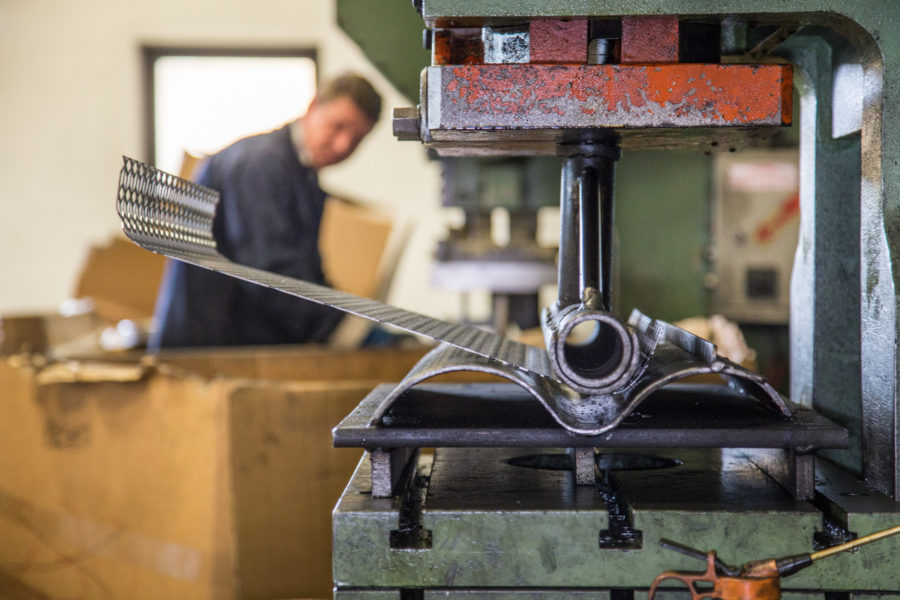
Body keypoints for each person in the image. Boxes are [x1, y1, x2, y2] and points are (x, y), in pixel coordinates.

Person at [148, 73, 382, 349]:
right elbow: (268, 272)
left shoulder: (303, 179)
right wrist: (339, 327)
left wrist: (351, 316)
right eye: (338, 126)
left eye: (356, 139)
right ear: (313, 107)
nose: (343, 145)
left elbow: (305, 272)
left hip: (238, 346)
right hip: (206, 352)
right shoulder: (260, 166)